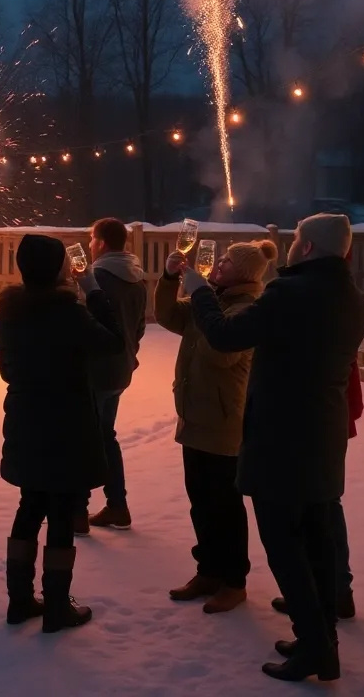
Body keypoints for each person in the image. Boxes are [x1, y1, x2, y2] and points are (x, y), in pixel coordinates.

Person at [179, 214, 364, 683]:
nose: (290, 247)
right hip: (323, 438)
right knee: (319, 544)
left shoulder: (291, 294)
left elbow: (224, 337)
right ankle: (322, 643)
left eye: (296, 240)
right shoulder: (352, 298)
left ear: (305, 249)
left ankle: (314, 649)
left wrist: (200, 290)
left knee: (286, 550)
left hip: (282, 441)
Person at [0, 234, 124, 633]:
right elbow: (114, 342)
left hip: (25, 420)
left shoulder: (8, 314)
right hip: (67, 424)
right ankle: (56, 607)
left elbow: (6, 371)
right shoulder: (69, 313)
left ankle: (19, 601)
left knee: (30, 505)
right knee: (62, 514)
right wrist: (95, 292)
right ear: (58, 269)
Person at [156, 240, 278, 615]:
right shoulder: (213, 303)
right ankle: (207, 570)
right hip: (194, 416)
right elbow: (165, 316)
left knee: (225, 506)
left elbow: (220, 354)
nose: (218, 264)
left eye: (225, 261)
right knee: (200, 502)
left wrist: (202, 297)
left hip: (225, 423)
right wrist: (167, 277)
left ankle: (234, 581)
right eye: (220, 258)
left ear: (242, 273)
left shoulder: (245, 310)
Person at [271, 243, 363, 623]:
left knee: (319, 508)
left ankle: (331, 592)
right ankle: (329, 591)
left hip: (319, 416)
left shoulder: (323, 298)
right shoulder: (339, 294)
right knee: (322, 506)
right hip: (328, 414)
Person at [75, 217, 147, 535]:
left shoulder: (98, 278)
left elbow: (84, 326)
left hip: (95, 371)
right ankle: (117, 505)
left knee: (82, 438)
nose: (90, 244)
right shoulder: (136, 277)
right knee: (105, 436)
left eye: (92, 239)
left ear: (101, 243)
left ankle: (77, 513)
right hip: (120, 370)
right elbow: (139, 326)